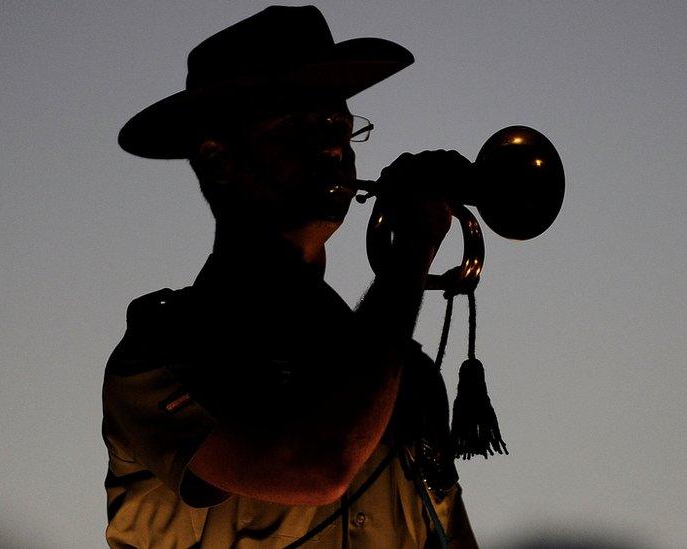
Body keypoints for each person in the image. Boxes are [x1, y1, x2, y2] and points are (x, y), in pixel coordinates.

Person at [102, 6, 478, 548]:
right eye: (297, 124)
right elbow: (317, 467)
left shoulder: (404, 376)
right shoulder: (157, 356)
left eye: (340, 127)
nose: (332, 147)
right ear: (215, 156)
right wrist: (412, 254)